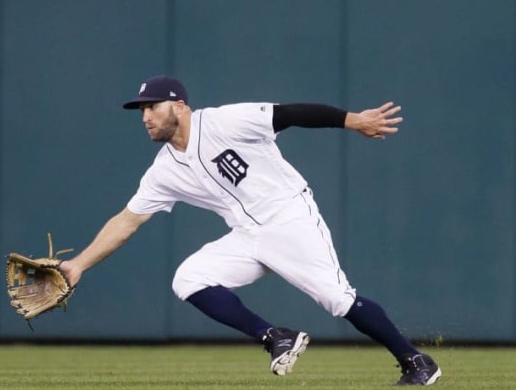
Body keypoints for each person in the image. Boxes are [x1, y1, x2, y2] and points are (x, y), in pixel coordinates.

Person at [60, 75, 442, 386]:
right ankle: (276, 337)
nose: (146, 116)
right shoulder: (163, 171)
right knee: (188, 278)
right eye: (142, 110)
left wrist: (352, 120)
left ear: (179, 106)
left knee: (337, 300)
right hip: (246, 233)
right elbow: (127, 221)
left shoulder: (223, 121)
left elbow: (290, 113)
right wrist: (78, 265)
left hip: (289, 217)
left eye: (153, 107)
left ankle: (416, 361)